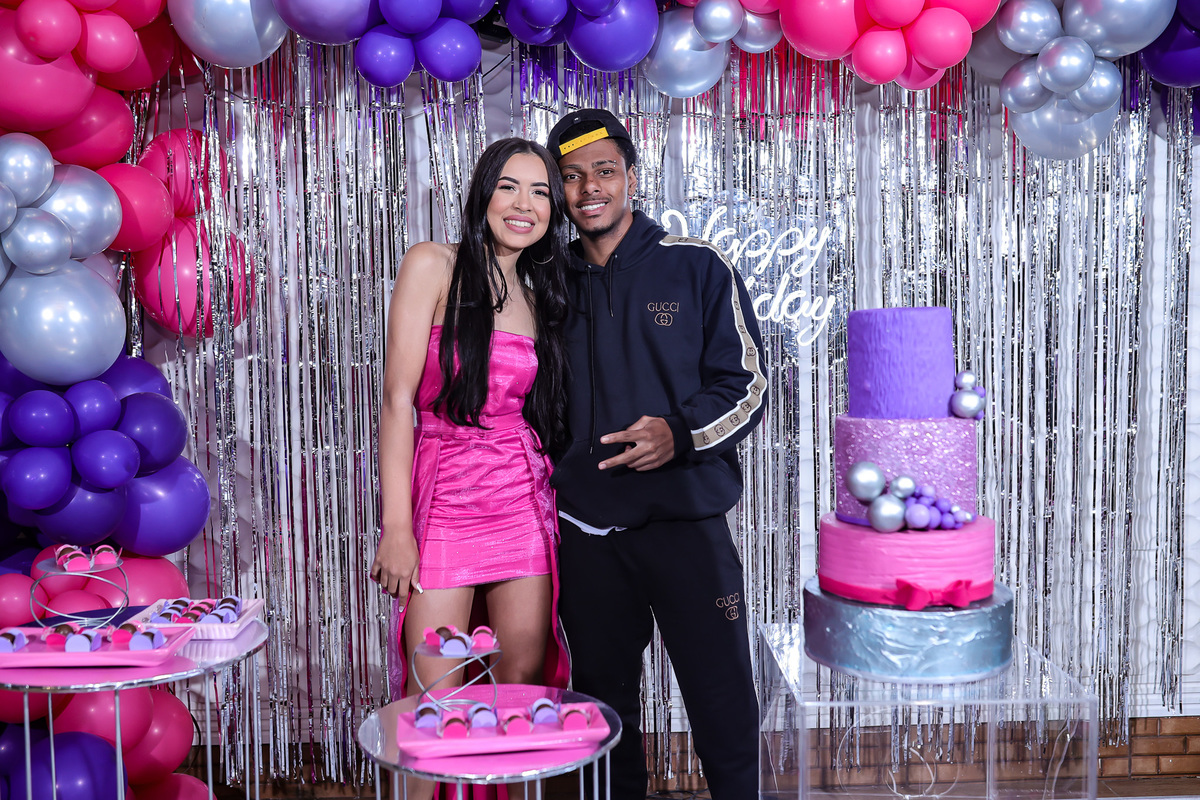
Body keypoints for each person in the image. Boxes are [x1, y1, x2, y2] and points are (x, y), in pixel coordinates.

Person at [545, 110, 767, 800]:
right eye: (572, 177)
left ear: (632, 178)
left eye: (604, 171)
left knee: (722, 700)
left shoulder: (694, 266)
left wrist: (681, 432)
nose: (590, 188)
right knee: (603, 714)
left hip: (686, 526)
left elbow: (748, 385)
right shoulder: (547, 283)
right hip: (585, 534)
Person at [369, 137, 572, 706]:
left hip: (519, 495)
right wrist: (397, 528)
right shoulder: (433, 263)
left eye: (540, 193)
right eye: (509, 187)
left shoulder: (538, 298)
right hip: (444, 497)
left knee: (522, 686)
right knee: (434, 691)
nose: (523, 204)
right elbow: (397, 401)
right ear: (483, 194)